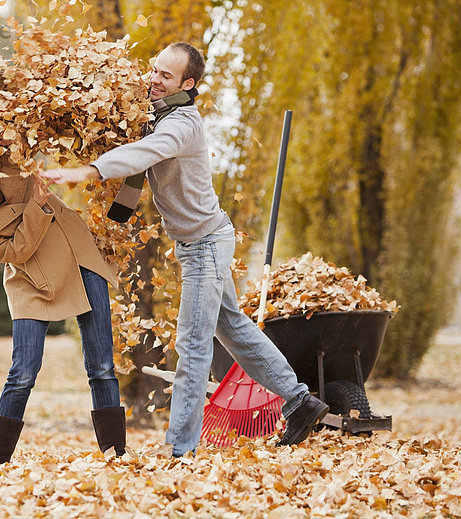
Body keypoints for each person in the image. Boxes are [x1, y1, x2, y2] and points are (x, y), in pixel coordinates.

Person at [41, 42, 329, 457]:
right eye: (154, 70)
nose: (154, 80)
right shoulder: (157, 117)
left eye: (165, 76)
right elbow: (142, 142)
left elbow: (148, 151)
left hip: (206, 246)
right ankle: (300, 400)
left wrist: (87, 171)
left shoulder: (182, 124)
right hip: (202, 243)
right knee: (236, 330)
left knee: (194, 346)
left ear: (187, 84)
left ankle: (179, 448)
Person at [0, 149, 126, 465]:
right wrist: (37, 205)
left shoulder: (8, 169)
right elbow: (17, 251)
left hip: (77, 258)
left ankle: (116, 454)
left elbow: (18, 136)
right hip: (29, 279)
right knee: (23, 371)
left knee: (101, 365)